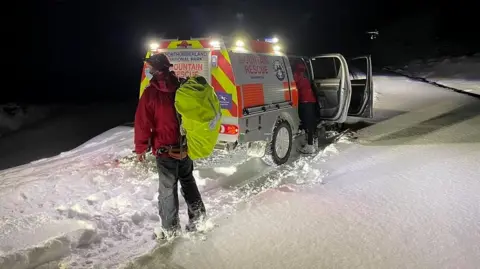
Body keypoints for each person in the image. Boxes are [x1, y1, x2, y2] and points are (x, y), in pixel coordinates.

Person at [134, 53, 206, 239]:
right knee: (188, 182)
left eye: (150, 68)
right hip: (184, 147)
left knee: (167, 190)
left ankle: (170, 229)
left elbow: (143, 122)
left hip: (165, 151)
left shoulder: (151, 93)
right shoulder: (182, 87)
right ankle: (199, 220)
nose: (149, 70)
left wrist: (141, 147)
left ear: (157, 69)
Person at [294, 62, 317, 154]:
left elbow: (294, 85)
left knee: (307, 123)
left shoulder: (297, 75)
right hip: (311, 101)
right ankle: (313, 143)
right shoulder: (306, 75)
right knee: (311, 122)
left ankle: (310, 146)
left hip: (305, 102)